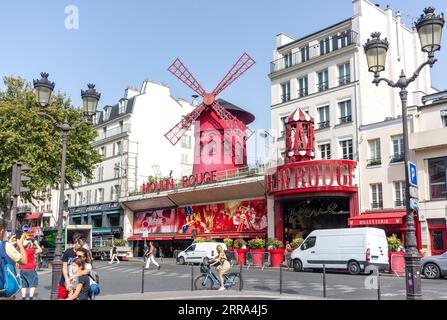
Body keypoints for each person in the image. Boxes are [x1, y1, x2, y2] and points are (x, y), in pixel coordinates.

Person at [0, 218, 28, 300]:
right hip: (3, 290)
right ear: (1, 230)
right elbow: (24, 261)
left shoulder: (6, 246)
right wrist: (20, 246)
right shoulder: (5, 246)